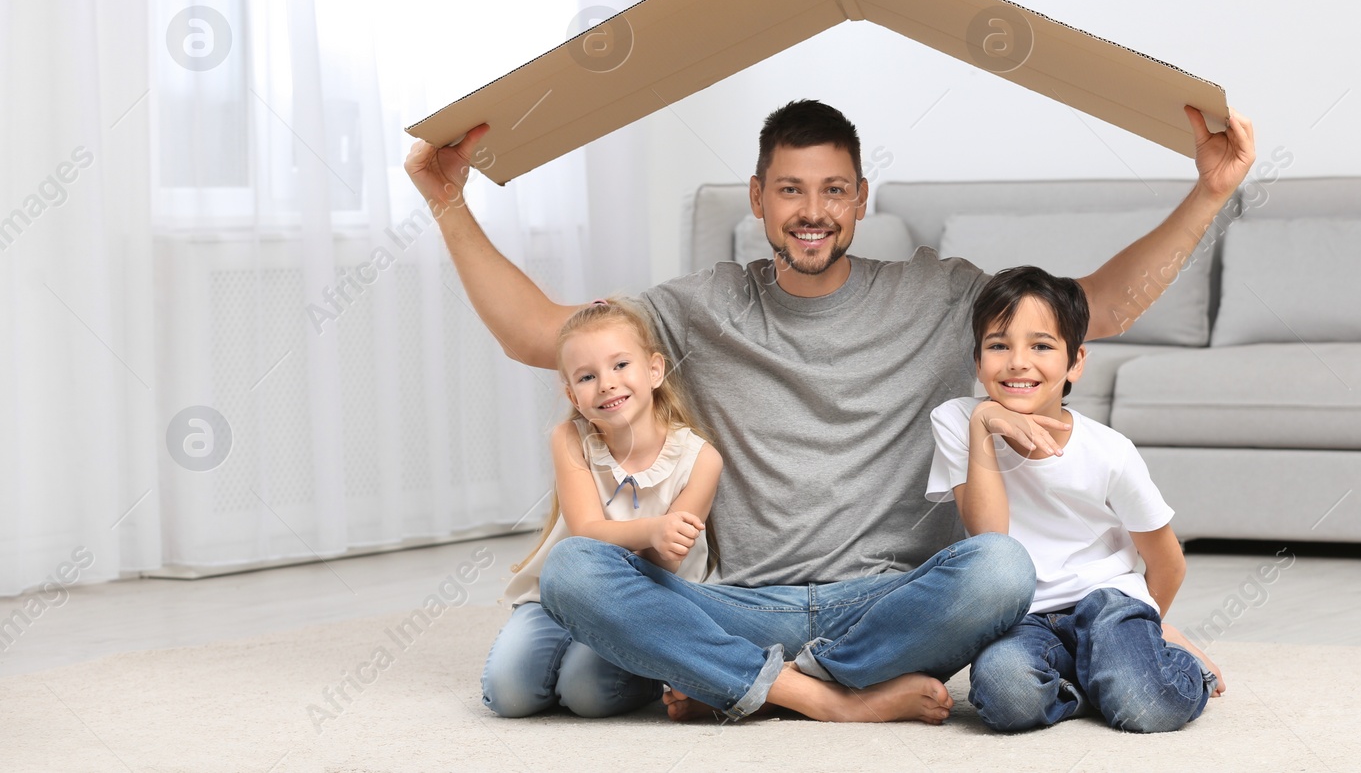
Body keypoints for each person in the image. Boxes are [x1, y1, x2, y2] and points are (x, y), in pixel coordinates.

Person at [405, 97, 1254, 723]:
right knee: (571, 570)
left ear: (860, 198)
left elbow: (1095, 308)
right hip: (743, 595)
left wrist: (1211, 192)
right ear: (758, 197)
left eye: (833, 191)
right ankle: (819, 694)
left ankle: (742, 679)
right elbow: (539, 335)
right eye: (791, 191)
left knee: (1000, 567)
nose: (812, 212)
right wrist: (446, 198)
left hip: (889, 604)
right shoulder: (695, 311)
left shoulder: (936, 293)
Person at [927, 266, 1224, 733]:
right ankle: (1093, 681)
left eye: (1041, 346)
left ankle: (1172, 660)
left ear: (1075, 362)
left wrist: (1148, 622)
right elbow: (991, 542)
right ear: (977, 358)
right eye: (998, 345)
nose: (1017, 362)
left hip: (1106, 603)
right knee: (1006, 697)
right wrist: (985, 424)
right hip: (1021, 615)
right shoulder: (959, 421)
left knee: (1147, 706)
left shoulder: (1110, 451)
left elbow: (1168, 564)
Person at [480, 299, 723, 718]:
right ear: (573, 393)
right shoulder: (570, 439)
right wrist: (651, 529)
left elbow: (667, 558)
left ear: (654, 371)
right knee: (510, 695)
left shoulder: (701, 459)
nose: (607, 384)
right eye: (587, 376)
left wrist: (659, 538)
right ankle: (570, 650)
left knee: (588, 695)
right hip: (555, 597)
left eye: (620, 365)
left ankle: (650, 672)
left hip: (640, 602)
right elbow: (586, 530)